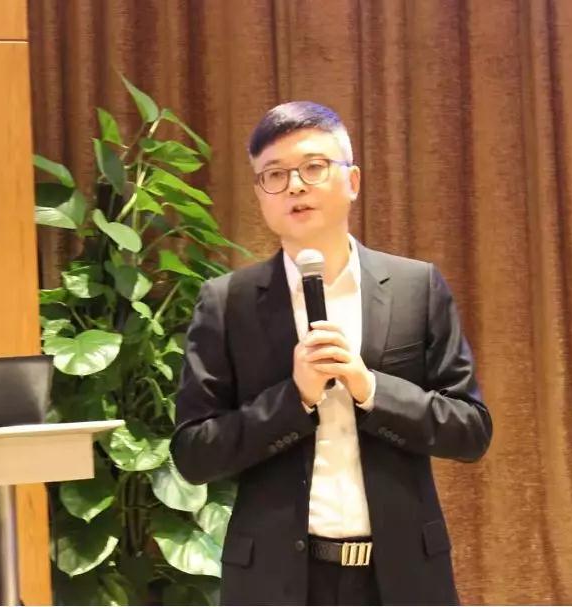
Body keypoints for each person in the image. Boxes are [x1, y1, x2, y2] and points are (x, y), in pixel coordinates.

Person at [170, 101, 492, 606]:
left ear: (352, 181)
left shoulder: (415, 288)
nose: (295, 186)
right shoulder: (228, 303)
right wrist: (294, 398)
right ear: (260, 195)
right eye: (274, 175)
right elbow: (194, 453)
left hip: (402, 577)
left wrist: (371, 389)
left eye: (314, 167)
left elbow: (470, 431)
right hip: (276, 583)